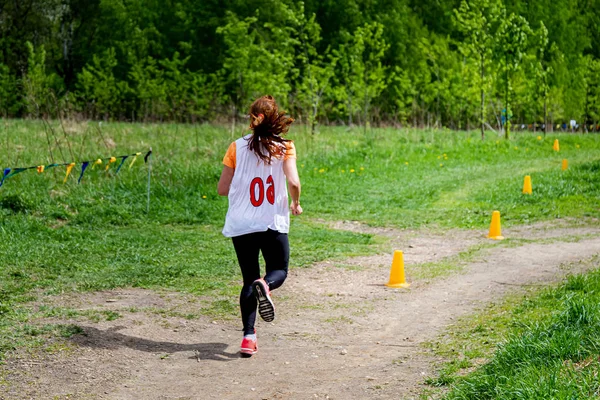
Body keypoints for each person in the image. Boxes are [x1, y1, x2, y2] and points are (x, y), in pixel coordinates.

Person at [217, 95, 303, 358]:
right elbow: (294, 182)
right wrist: (295, 203)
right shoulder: (285, 147)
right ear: (275, 118)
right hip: (272, 222)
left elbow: (221, 189)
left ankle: (248, 338)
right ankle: (266, 286)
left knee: (248, 279)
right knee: (278, 270)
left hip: (242, 224)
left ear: (251, 119)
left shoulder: (235, 147)